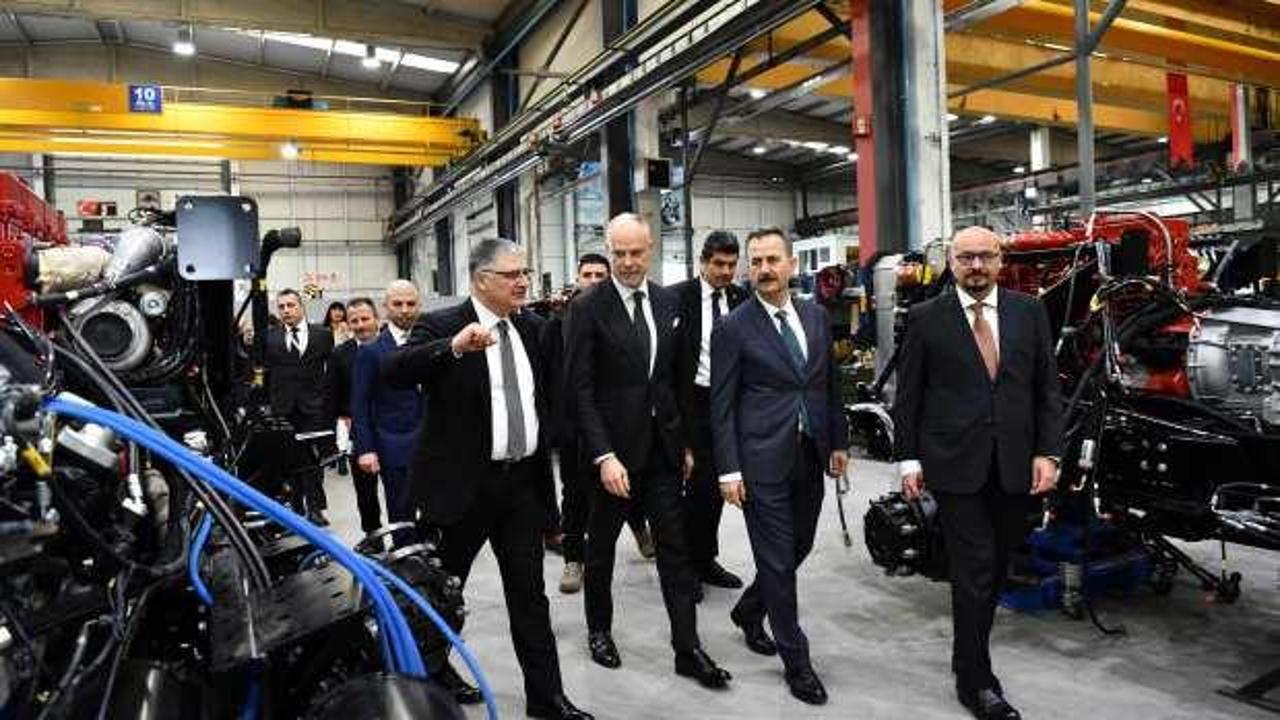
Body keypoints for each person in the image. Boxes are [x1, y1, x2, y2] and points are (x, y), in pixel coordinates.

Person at [383, 239, 591, 720]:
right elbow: (394, 371)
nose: (523, 282)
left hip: (520, 487)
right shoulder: (442, 325)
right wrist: (453, 348)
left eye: (525, 272)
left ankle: (547, 698)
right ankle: (427, 684)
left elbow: (544, 401)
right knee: (441, 596)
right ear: (481, 280)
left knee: (530, 597)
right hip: (462, 490)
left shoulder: (533, 329)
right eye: (512, 274)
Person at [893, 225, 1064, 720]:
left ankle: (964, 654)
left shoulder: (1029, 311)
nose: (976, 266)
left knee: (996, 567)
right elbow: (909, 395)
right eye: (966, 257)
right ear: (951, 262)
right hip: (953, 464)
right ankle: (976, 680)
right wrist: (909, 458)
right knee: (975, 568)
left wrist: (1049, 452)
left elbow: (1045, 389)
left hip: (1013, 463)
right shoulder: (927, 317)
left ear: (1000, 261)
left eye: (985, 256)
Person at [564, 212, 731, 689]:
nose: (627, 262)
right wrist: (603, 456)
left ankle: (688, 648)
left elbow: (674, 381)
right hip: (612, 458)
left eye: (635, 252)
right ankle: (599, 632)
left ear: (650, 248)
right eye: (618, 253)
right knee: (601, 552)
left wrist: (685, 443)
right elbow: (580, 390)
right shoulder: (587, 307)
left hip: (662, 453)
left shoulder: (666, 301)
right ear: (609, 250)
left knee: (675, 550)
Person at [710, 227, 848, 705]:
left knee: (799, 546)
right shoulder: (733, 327)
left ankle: (750, 609)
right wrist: (729, 470)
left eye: (773, 260)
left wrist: (838, 440)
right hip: (760, 460)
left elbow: (828, 383)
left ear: (792, 264)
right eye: (756, 262)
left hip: (810, 453)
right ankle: (797, 661)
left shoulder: (815, 315)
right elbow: (721, 405)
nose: (764, 270)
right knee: (777, 562)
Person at [549, 253, 654, 595]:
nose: (593, 281)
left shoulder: (623, 316)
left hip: (613, 425)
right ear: (577, 278)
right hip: (572, 427)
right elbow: (549, 376)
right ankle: (573, 558)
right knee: (575, 496)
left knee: (628, 484)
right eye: (587, 275)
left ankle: (640, 529)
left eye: (599, 275)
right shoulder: (557, 321)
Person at [672, 231, 748, 594]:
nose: (726, 272)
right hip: (694, 403)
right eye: (719, 264)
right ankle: (687, 565)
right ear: (703, 262)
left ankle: (705, 559)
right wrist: (678, 431)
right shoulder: (677, 299)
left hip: (731, 402)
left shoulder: (741, 298)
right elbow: (667, 367)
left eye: (732, 265)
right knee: (698, 488)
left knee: (719, 486)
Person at [352, 281, 425, 541]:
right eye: (397, 304)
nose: (404, 310)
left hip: (431, 443)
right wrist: (366, 449)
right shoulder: (371, 352)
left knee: (435, 510)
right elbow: (360, 404)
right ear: (385, 308)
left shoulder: (431, 342)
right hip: (393, 444)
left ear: (419, 305)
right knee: (401, 512)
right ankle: (406, 561)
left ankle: (432, 557)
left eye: (411, 303)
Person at [264, 288, 334, 525]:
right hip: (282, 408)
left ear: (301, 306)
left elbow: (332, 372)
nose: (286, 311)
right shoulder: (270, 337)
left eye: (291, 305)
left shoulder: (323, 335)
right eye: (281, 307)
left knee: (313, 459)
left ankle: (315, 508)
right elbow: (263, 373)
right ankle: (295, 507)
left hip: (313, 407)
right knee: (290, 459)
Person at [330, 297, 382, 534]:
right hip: (359, 432)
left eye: (365, 319)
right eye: (354, 321)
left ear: (376, 319)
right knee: (365, 490)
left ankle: (406, 540)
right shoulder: (340, 354)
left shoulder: (396, 347)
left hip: (396, 429)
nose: (360, 325)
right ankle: (373, 535)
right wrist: (344, 418)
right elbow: (334, 392)